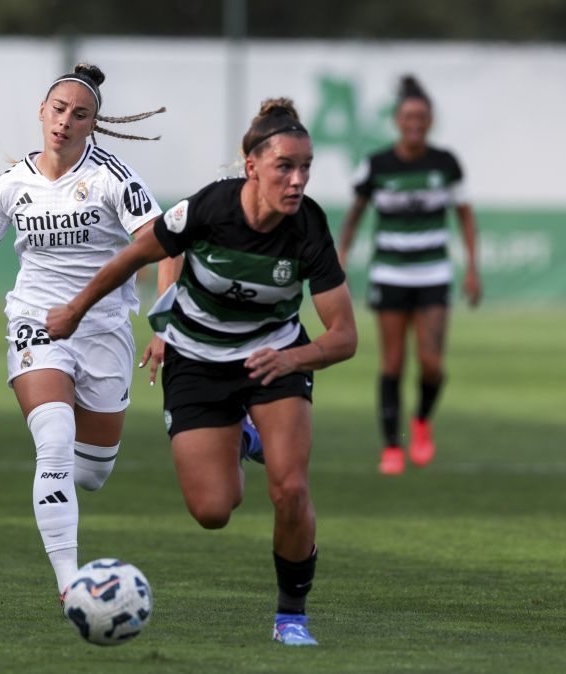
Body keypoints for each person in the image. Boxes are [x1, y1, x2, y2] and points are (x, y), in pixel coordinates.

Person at [47, 98, 358, 646]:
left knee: (289, 488)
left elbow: (344, 337)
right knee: (213, 511)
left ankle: (291, 616)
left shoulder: (308, 228)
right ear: (252, 165)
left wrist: (291, 359)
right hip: (195, 359)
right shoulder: (210, 208)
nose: (298, 179)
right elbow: (134, 255)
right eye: (285, 166)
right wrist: (75, 309)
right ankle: (240, 435)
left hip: (274, 358)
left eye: (306, 167)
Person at [0, 63, 167, 603]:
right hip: (35, 322)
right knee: (52, 444)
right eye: (58, 110)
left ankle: (67, 496)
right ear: (42, 112)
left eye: (80, 114)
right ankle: (71, 583)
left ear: (93, 124)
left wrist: (164, 321)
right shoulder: (12, 184)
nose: (65, 121)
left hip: (104, 331)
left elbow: (166, 245)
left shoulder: (114, 179)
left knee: (92, 473)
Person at [336, 74, 481, 476]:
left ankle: (421, 421)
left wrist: (472, 268)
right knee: (393, 363)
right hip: (390, 275)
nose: (414, 122)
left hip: (433, 274)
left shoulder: (446, 164)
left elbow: (466, 218)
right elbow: (354, 216)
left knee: (432, 364)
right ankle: (391, 447)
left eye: (421, 115)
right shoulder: (377, 164)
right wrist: (341, 257)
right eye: (407, 115)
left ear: (431, 120)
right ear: (397, 120)